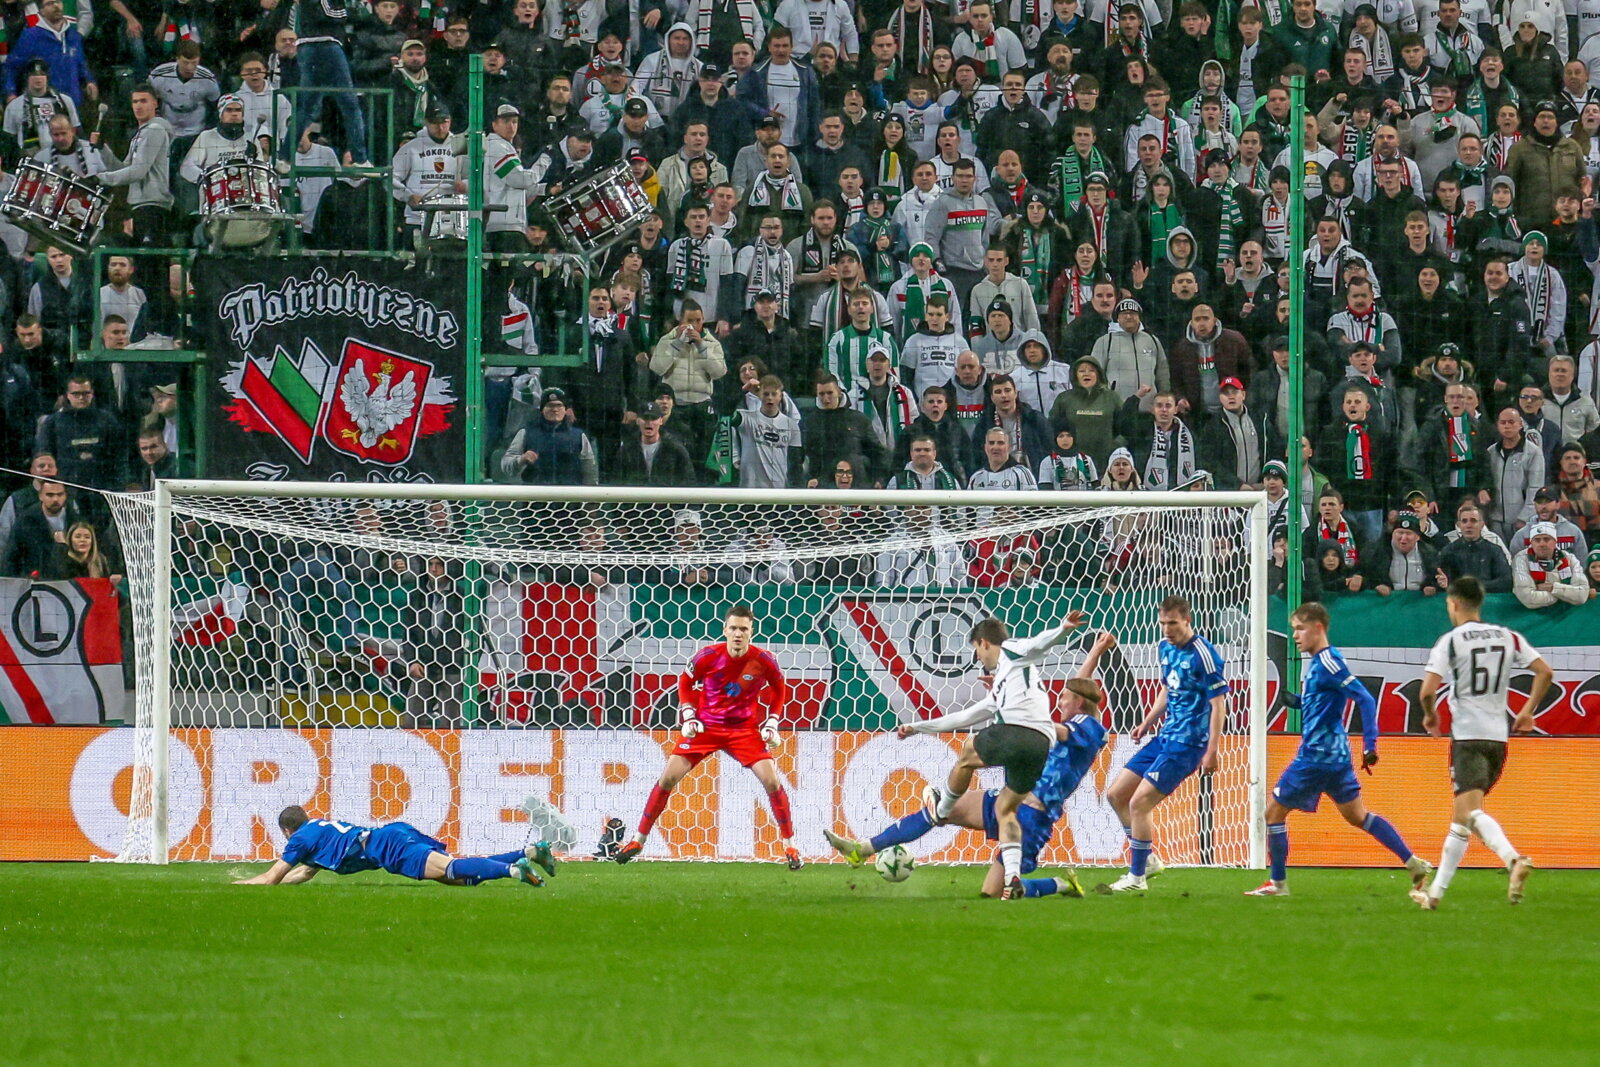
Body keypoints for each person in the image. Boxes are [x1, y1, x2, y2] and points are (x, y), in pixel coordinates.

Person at [828, 630, 1119, 899]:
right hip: (1010, 799)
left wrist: (1014, 704)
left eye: (1065, 699)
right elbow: (1079, 686)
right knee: (942, 812)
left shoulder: (1091, 728)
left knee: (992, 894)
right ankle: (862, 849)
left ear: (1079, 702)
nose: (1059, 702)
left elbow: (1057, 725)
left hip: (1033, 816)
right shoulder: (1078, 714)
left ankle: (1060, 884)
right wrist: (1095, 651)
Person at [895, 611, 1091, 899]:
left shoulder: (1012, 651)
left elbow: (1038, 644)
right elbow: (963, 717)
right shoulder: (1005, 683)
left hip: (1019, 732)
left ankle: (942, 809)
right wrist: (917, 727)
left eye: (976, 649)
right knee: (1006, 810)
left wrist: (1063, 628)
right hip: (1039, 747)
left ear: (985, 642)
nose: (978, 657)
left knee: (968, 750)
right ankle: (1013, 878)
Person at [1246, 602, 1433, 897]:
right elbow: (1324, 705)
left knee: (1273, 813)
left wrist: (1371, 744)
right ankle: (1412, 862)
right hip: (1336, 758)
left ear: (1318, 628)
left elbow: (1365, 699)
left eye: (1300, 628)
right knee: (1358, 816)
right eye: (1293, 629)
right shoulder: (1320, 664)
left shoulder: (1329, 662)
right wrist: (1295, 701)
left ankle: (1278, 883)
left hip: (1316, 756)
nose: (1295, 635)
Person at [615, 605, 803, 870]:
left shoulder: (764, 660)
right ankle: (638, 840)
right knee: (668, 777)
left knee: (772, 781)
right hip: (706, 728)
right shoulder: (707, 656)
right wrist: (689, 715)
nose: (738, 633)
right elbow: (684, 683)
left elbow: (779, 689)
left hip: (744, 731)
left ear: (752, 631)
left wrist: (772, 722)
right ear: (725, 629)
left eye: (744, 629)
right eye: (734, 628)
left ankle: (791, 847)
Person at [1414, 576, 1553, 909]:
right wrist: (1526, 712)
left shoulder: (1451, 641)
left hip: (1468, 737)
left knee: (1471, 812)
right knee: (1461, 817)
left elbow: (1427, 691)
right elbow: (1545, 672)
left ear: (1454, 603)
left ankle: (1513, 860)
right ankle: (1434, 895)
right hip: (1498, 740)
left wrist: (1430, 715)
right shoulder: (1508, 637)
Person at [1103, 595, 1227, 893]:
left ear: (1187, 620)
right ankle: (1146, 862)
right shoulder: (1164, 648)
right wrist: (1147, 721)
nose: (1167, 629)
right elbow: (1167, 688)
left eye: (1173, 623)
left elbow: (1219, 704)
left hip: (1188, 744)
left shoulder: (1204, 654)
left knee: (1139, 802)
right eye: (1163, 623)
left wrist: (1212, 750)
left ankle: (1136, 878)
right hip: (1164, 736)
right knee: (1116, 795)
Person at [233, 805, 556, 888]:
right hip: (392, 834)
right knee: (458, 877)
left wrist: (242, 884)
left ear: (287, 830)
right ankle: (528, 853)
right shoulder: (318, 831)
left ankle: (514, 870)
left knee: (450, 870)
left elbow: (272, 877)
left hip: (387, 846)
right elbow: (303, 874)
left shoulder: (300, 838)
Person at [1512, 520, 1590, 607]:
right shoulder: (1521, 559)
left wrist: (1554, 588)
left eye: (1546, 539)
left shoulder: (1570, 559)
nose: (1542, 544)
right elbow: (1528, 598)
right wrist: (1566, 596)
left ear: (1555, 541)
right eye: (1537, 540)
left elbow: (1582, 595)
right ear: (1531, 543)